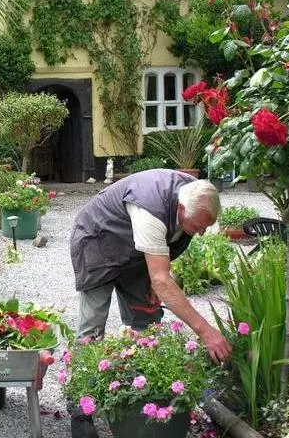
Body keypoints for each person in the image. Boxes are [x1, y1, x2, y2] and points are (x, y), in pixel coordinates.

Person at [68, 169, 231, 437]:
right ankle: (80, 411)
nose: (200, 234)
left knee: (147, 323)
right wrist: (206, 331)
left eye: (205, 227)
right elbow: (161, 278)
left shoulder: (195, 194)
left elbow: (165, 262)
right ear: (180, 208)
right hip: (99, 244)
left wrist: (160, 281)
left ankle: (142, 390)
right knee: (91, 331)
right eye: (197, 226)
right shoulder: (151, 209)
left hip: (135, 254)